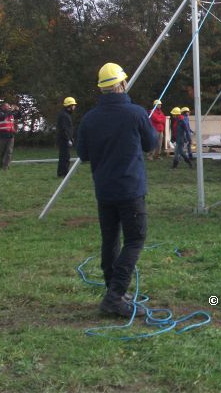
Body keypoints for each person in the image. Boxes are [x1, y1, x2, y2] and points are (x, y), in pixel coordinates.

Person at [77, 62, 157, 318]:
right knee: (135, 239)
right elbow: (150, 144)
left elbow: (83, 154)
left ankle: (114, 292)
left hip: (104, 189)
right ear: (122, 84)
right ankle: (114, 297)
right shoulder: (135, 113)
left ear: (102, 89)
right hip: (130, 189)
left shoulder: (90, 118)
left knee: (110, 240)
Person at [56, 97, 77, 177]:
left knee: (65, 157)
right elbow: (64, 129)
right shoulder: (64, 115)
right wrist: (68, 139)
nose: (74, 107)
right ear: (69, 106)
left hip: (64, 139)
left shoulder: (65, 114)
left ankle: (63, 173)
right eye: (73, 105)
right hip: (64, 140)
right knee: (65, 157)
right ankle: (63, 174)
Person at [0, 102, 20, 170]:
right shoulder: (0, 113)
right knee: (2, 152)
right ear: (3, 107)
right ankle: (1, 165)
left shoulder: (11, 114)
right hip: (2, 136)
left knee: (9, 151)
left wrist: (18, 110)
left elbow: (19, 116)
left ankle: (5, 167)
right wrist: (11, 110)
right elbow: (3, 117)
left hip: (11, 135)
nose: (9, 107)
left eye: (9, 106)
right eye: (7, 106)